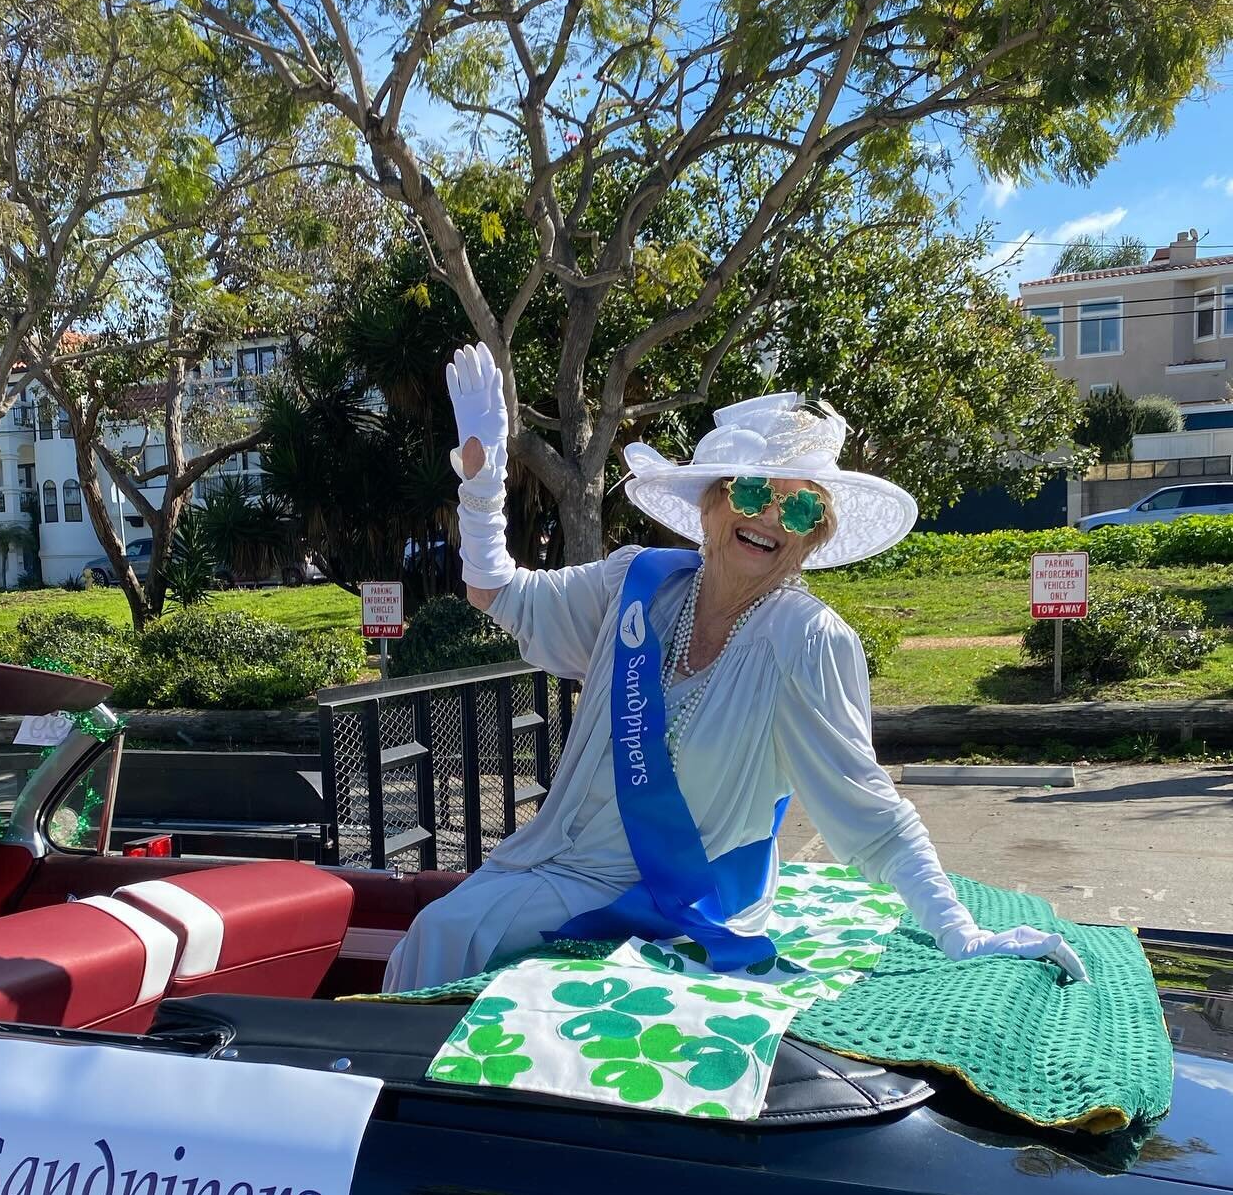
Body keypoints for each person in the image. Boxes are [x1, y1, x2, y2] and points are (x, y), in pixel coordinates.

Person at [383, 343, 1087, 993]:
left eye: (803, 505)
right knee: (442, 925)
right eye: (755, 492)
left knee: (445, 933)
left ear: (815, 535)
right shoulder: (639, 583)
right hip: (549, 857)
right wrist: (484, 483)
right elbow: (496, 592)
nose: (773, 517)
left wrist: (959, 932)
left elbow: (872, 815)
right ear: (714, 501)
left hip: (675, 894)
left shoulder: (807, 640)